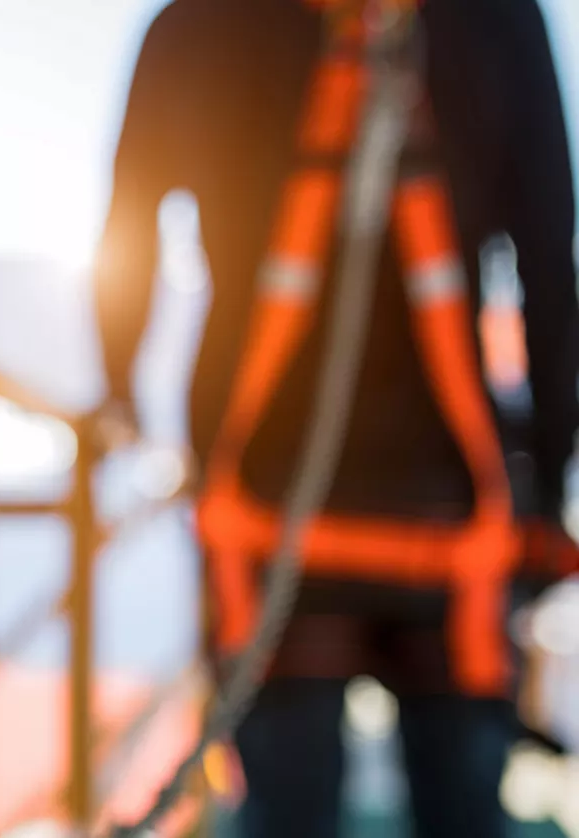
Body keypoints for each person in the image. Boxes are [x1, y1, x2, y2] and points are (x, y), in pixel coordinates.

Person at [91, 1, 579, 836]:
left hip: (263, 502)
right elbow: (546, 251)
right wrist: (545, 477)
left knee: (287, 808)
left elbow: (126, 237)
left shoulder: (197, 24)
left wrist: (121, 394)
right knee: (463, 807)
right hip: (450, 506)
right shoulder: (493, 19)